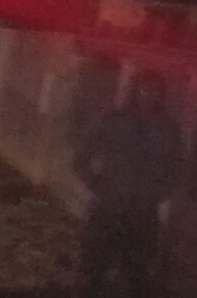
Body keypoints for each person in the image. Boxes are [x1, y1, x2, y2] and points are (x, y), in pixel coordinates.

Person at [75, 71, 183, 298]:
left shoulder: (169, 130)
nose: (150, 95)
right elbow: (81, 158)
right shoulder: (113, 120)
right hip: (108, 210)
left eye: (156, 91)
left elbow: (176, 170)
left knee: (137, 277)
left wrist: (157, 195)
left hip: (142, 217)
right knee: (92, 271)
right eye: (145, 89)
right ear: (135, 91)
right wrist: (98, 186)